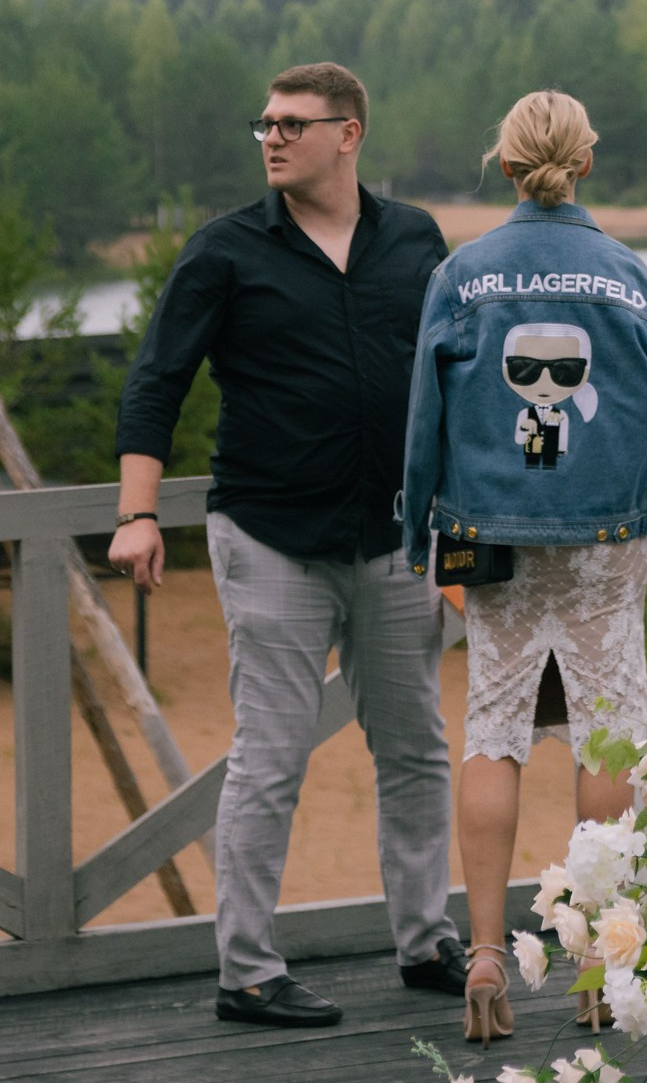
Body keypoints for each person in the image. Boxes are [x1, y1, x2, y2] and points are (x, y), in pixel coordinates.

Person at [111, 59, 463, 1027]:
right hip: (268, 535)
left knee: (418, 745)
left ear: (348, 134)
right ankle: (248, 969)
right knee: (269, 753)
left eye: (292, 122)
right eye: (263, 121)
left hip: (396, 534)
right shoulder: (224, 251)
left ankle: (428, 937)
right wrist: (138, 511)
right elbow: (156, 382)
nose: (270, 135)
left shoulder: (415, 239)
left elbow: (454, 373)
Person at [400, 88, 647, 1042]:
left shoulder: (463, 274)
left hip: (489, 533)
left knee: (492, 730)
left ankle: (489, 954)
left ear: (505, 166)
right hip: (602, 539)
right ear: (587, 163)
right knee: (609, 739)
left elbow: (426, 407)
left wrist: (416, 514)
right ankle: (597, 956)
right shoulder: (626, 275)